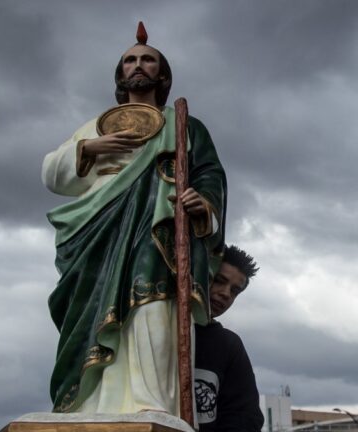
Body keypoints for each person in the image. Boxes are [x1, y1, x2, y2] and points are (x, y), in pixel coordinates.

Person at [41, 22, 226, 416]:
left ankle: (150, 404)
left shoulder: (185, 126)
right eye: (130, 60)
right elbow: (52, 175)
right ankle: (89, 403)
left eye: (147, 59)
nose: (138, 65)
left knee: (151, 305)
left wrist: (202, 203)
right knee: (93, 313)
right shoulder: (95, 126)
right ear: (120, 74)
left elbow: (210, 174)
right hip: (99, 237)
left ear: (162, 74)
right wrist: (90, 147)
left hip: (157, 231)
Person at [194, 245, 264, 431]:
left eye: (234, 291)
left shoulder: (228, 345)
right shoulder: (147, 328)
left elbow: (246, 417)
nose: (225, 293)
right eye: (219, 281)